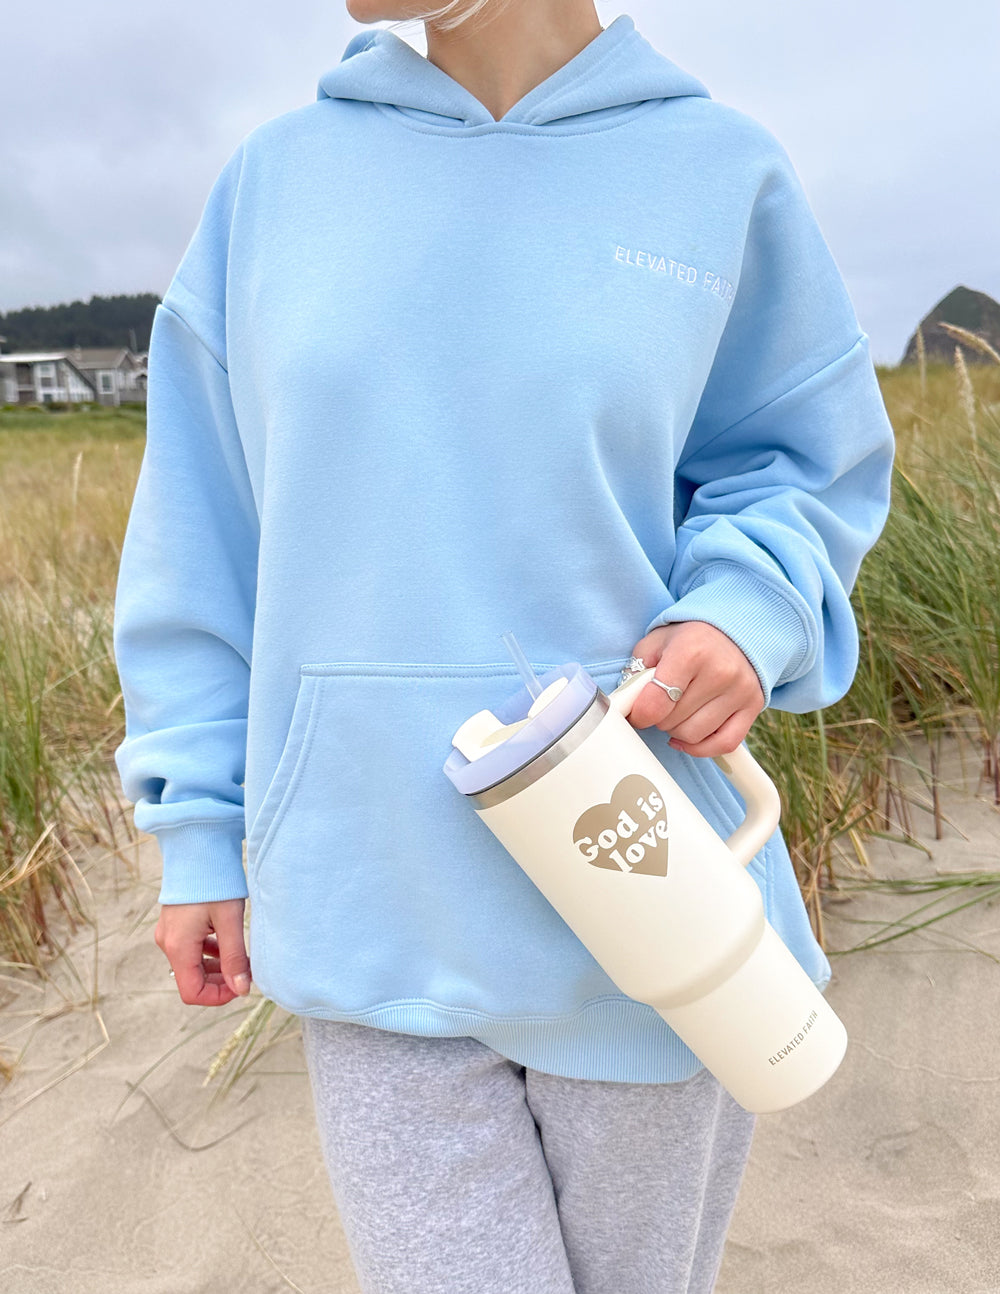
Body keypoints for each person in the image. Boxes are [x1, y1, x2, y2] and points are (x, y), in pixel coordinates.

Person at [111, 1, 895, 1290]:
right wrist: (199, 823)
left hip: (648, 897)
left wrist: (745, 611)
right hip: (373, 905)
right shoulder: (275, 184)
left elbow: (801, 464)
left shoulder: (718, 170)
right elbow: (201, 536)